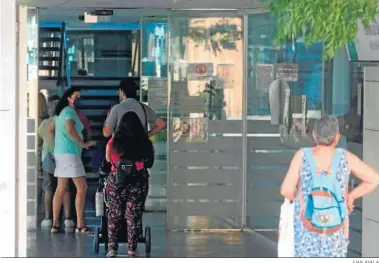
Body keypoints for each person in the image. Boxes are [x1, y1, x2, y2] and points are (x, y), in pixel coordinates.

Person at [281, 115, 379, 257]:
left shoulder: (301, 156)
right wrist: (351, 196)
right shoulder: (346, 157)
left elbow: (286, 190)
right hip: (335, 234)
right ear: (337, 137)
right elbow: (374, 179)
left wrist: (300, 196)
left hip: (306, 232)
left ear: (314, 135)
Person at [105, 111, 154, 257]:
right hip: (137, 182)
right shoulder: (145, 143)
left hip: (117, 182)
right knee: (132, 216)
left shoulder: (113, 143)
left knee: (114, 215)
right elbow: (150, 163)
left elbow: (108, 160)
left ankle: (112, 249)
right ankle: (131, 249)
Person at [50, 87, 96, 233]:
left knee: (60, 189)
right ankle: (80, 224)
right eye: (75, 96)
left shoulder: (60, 113)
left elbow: (50, 129)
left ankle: (55, 224)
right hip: (70, 154)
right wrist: (83, 143)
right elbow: (70, 129)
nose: (78, 99)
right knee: (82, 187)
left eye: (79, 97)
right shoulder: (69, 112)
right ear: (68, 97)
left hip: (61, 153)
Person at [38, 99, 74, 229]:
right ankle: (68, 219)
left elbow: (38, 145)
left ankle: (48, 219)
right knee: (66, 188)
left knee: (48, 188)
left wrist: (38, 165)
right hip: (64, 156)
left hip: (47, 157)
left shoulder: (43, 125)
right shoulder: (65, 123)